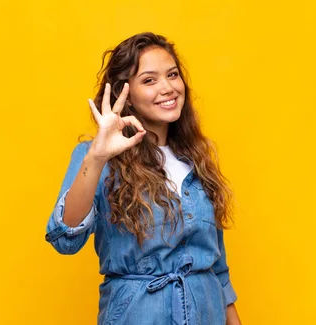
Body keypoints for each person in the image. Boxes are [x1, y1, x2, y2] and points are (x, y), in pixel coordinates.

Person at [45, 32, 241, 325]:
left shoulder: (196, 158)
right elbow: (64, 239)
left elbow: (218, 268)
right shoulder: (96, 156)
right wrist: (97, 158)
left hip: (207, 313)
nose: (168, 88)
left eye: (172, 75)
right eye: (149, 80)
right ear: (128, 96)